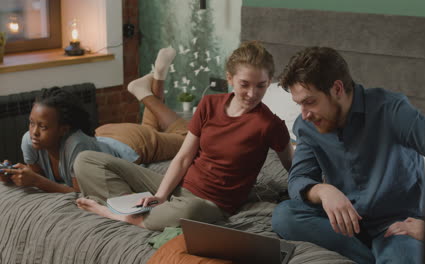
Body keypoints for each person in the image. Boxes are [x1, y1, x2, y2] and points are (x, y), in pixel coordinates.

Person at [74, 41, 294, 231]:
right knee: (86, 160)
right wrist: (160, 196)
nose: (252, 93)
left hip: (210, 204)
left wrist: (317, 188)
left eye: (261, 86)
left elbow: (294, 167)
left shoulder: (271, 125)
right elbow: (183, 158)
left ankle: (120, 215)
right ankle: (138, 208)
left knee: (191, 210)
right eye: (244, 84)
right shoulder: (209, 104)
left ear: (270, 81)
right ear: (230, 78)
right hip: (179, 186)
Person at [271, 47, 425, 263]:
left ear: (337, 89)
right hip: (344, 224)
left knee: (403, 255)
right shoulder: (306, 126)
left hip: (397, 226)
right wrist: (324, 190)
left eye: (310, 102)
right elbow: (298, 179)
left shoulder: (392, 110)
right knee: (284, 215)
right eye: (299, 104)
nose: (304, 114)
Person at [0, 47, 188, 193]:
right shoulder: (29, 142)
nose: (34, 132)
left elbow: (78, 192)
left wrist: (35, 180)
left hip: (132, 143)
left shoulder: (75, 147)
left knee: (187, 138)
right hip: (104, 136)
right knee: (150, 127)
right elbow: (42, 179)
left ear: (63, 129)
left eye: (43, 126)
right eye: (32, 123)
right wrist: (17, 177)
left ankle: (142, 92)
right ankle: (157, 77)